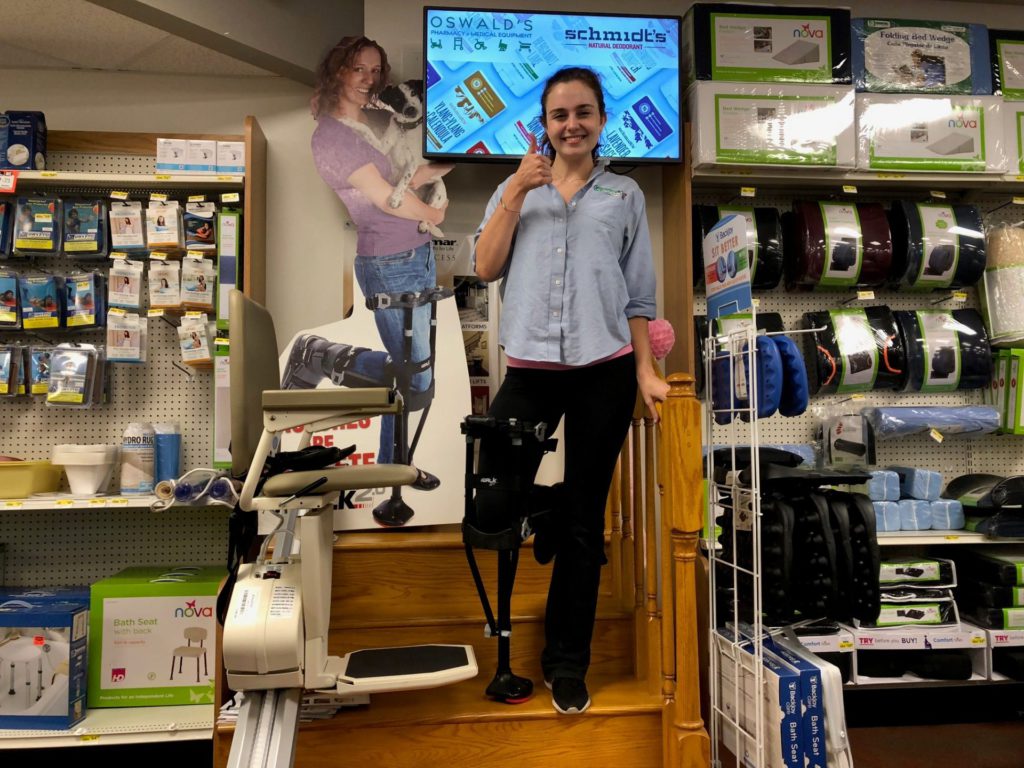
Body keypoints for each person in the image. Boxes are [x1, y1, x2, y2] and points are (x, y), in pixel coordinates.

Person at [471, 66, 669, 715]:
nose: (572, 125)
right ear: (544, 124)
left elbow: (639, 296)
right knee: (492, 501)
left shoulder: (625, 196)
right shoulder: (516, 186)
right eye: (560, 115)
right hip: (529, 368)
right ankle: (545, 508)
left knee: (586, 525)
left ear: (601, 119)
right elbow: (485, 265)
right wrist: (514, 194)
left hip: (603, 368)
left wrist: (645, 370)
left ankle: (566, 663)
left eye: (583, 112)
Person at [282, 35, 454, 515]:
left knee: (415, 379)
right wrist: (434, 216)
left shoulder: (366, 127)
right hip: (387, 260)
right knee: (414, 380)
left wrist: (452, 158)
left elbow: (405, 177)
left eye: (375, 71)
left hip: (414, 252)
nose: (369, 79)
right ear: (337, 71)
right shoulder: (331, 136)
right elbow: (383, 198)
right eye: (358, 69)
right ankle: (318, 355)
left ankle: (390, 475)